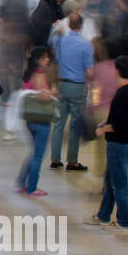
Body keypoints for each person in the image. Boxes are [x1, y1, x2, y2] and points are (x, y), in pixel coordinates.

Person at [84, 55, 128, 232]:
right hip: (125, 143)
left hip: (119, 144)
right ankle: (103, 215)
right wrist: (105, 124)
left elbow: (120, 125)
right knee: (110, 181)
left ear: (116, 70)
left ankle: (124, 220)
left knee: (119, 184)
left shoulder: (124, 93)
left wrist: (103, 130)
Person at [49, 13, 94, 172]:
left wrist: (56, 28)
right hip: (77, 86)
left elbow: (52, 38)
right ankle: (72, 161)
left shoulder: (59, 41)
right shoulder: (86, 45)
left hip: (61, 85)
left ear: (69, 25)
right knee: (75, 124)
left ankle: (55, 159)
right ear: (81, 26)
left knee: (59, 122)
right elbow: (89, 72)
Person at [16, 46, 58, 197]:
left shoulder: (27, 74)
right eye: (46, 57)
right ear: (39, 59)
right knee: (39, 153)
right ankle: (32, 187)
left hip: (30, 118)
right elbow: (43, 96)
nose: (48, 60)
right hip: (41, 119)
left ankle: (21, 183)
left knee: (35, 152)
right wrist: (54, 92)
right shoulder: (39, 75)